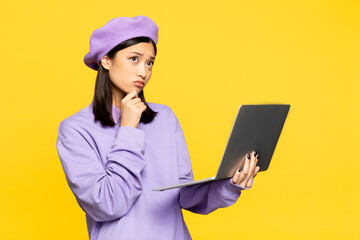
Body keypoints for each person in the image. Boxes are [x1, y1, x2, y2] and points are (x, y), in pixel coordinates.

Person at [56, 15, 260, 240]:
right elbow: (108, 204)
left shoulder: (165, 117)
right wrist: (128, 130)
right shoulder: (75, 130)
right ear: (106, 60)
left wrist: (230, 185)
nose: (143, 71)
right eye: (134, 59)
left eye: (149, 62)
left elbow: (184, 195)